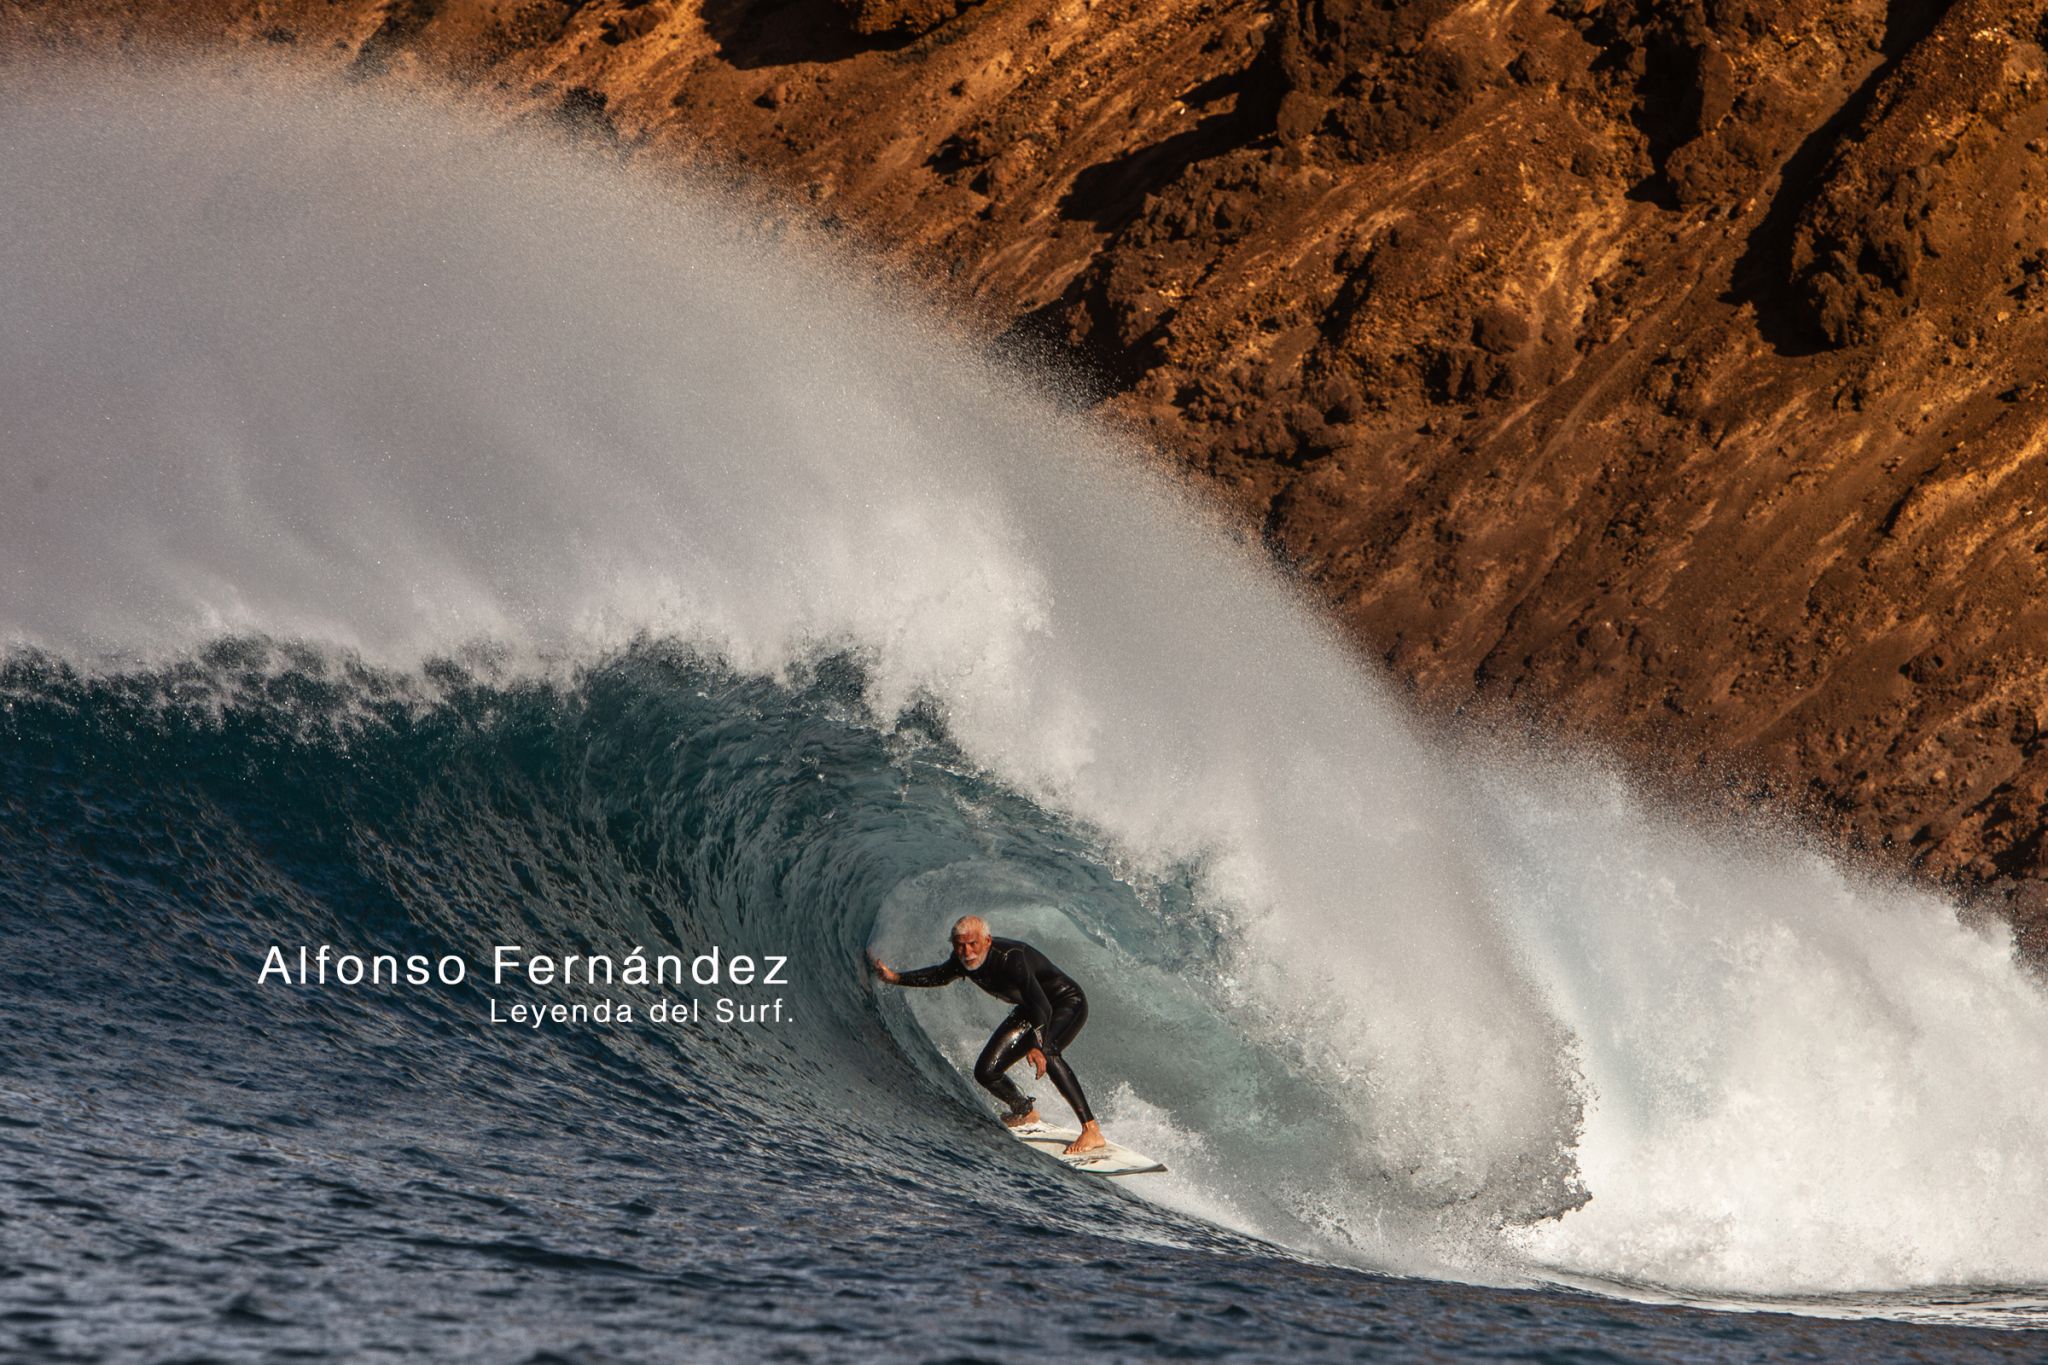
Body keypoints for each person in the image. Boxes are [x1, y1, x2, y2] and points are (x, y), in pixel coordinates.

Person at [869, 915, 1107, 1156]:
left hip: (1065, 1003)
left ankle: (1091, 1130)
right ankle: (1024, 1111)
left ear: (987, 941)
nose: (967, 951)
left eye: (973, 944)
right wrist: (896, 978)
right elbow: (939, 975)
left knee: (1050, 1052)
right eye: (960, 945)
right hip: (1029, 1009)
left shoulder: (1012, 959)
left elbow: (1042, 1008)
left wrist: (1037, 1045)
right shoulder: (962, 960)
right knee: (986, 1072)